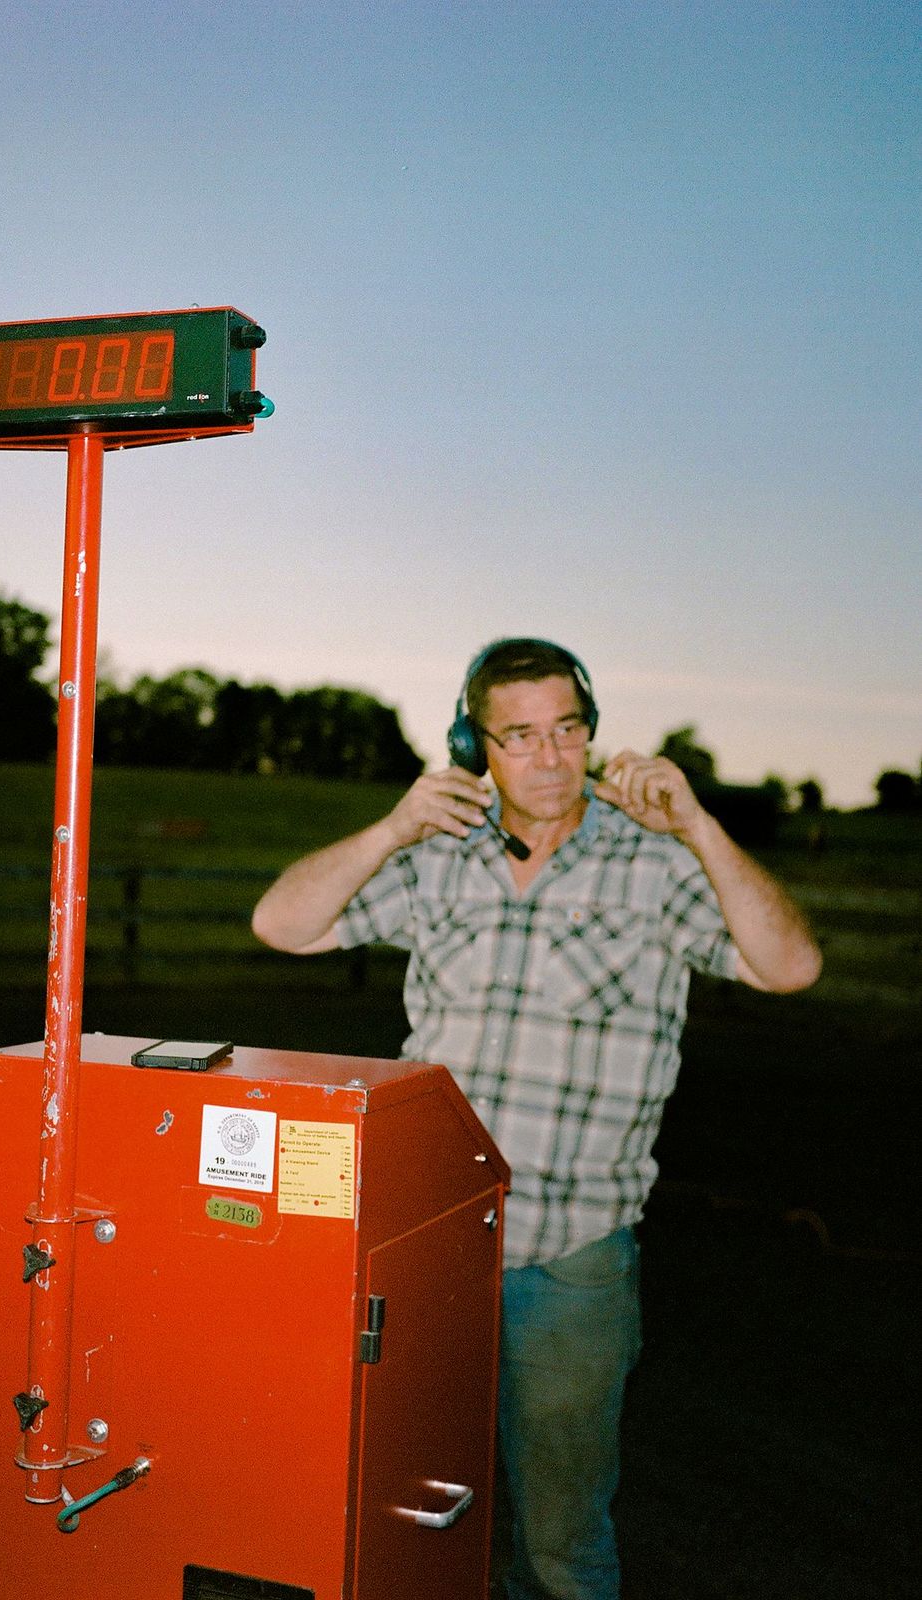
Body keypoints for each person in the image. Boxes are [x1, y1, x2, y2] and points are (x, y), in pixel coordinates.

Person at [251, 637, 821, 1600]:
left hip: (573, 1259)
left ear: (592, 735)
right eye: (519, 736)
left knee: (560, 1546)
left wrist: (702, 828)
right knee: (408, 1520)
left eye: (567, 729)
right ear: (476, 746)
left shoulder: (656, 864)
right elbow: (283, 924)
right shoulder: (437, 859)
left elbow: (789, 966)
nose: (549, 756)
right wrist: (390, 829)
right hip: (426, 1249)